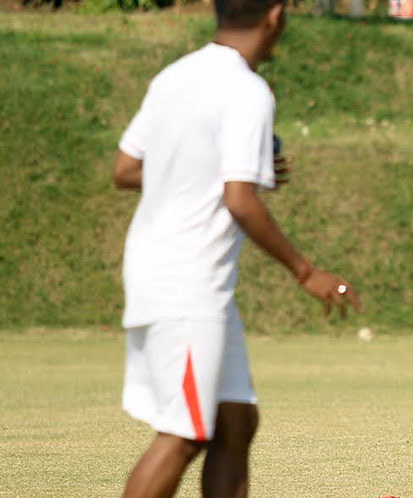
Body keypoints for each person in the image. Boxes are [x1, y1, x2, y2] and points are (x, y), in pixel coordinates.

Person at [112, 0, 362, 495]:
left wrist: (229, 170)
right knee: (185, 434)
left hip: (184, 279)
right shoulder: (248, 90)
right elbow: (240, 202)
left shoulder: (175, 76)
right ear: (275, 15)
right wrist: (304, 270)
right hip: (186, 281)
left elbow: (125, 169)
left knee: (235, 422)